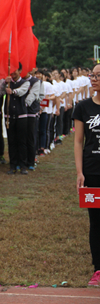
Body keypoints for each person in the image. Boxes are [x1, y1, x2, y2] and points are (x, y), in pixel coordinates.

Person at [73, 63, 100, 286]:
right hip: (91, 172)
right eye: (93, 75)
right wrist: (80, 172)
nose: (94, 79)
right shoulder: (83, 107)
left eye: (98, 76)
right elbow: (78, 141)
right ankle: (98, 268)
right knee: (96, 221)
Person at [6, 64, 31, 175]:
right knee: (11, 141)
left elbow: (22, 91)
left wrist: (13, 92)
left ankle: (23, 165)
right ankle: (12, 165)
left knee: (22, 141)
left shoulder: (25, 82)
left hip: (21, 116)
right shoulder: (7, 82)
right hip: (10, 116)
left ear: (20, 71)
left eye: (15, 70)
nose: (13, 72)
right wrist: (4, 83)